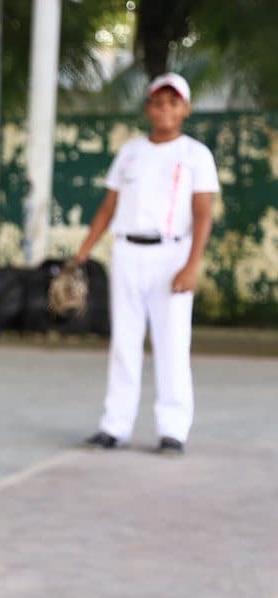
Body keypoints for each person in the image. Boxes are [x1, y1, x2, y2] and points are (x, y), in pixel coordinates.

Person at [71, 73, 218, 457]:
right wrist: (83, 250)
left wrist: (192, 265)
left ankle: (173, 430)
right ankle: (114, 426)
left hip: (171, 253)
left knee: (172, 343)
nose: (165, 109)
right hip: (127, 252)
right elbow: (109, 206)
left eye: (173, 102)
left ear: (185, 109)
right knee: (124, 341)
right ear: (148, 108)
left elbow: (203, 214)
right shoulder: (131, 152)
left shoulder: (195, 154)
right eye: (158, 102)